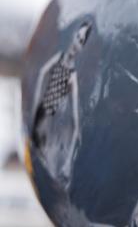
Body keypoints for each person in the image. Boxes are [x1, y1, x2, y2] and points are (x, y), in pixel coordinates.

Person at [31, 20, 92, 187]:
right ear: (73, 36)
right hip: (41, 114)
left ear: (82, 47)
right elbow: (43, 73)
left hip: (48, 120)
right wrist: (37, 102)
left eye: (81, 41)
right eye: (77, 37)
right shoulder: (59, 57)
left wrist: (69, 155)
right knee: (37, 153)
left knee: (43, 159)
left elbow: (74, 116)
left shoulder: (72, 76)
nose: (76, 42)